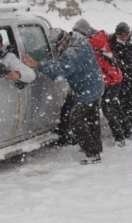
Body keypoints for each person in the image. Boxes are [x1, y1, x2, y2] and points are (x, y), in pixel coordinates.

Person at [21, 28, 105, 165]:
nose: (58, 48)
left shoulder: (74, 52)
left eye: (58, 45)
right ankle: (96, 147)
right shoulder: (78, 39)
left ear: (64, 40)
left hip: (87, 90)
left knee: (76, 121)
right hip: (93, 86)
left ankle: (93, 154)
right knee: (92, 119)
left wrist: (37, 64)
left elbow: (60, 70)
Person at [73, 19, 131, 146]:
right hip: (109, 79)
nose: (77, 36)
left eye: (79, 33)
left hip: (112, 79)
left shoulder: (97, 39)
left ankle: (120, 137)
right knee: (114, 105)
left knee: (107, 108)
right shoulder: (93, 39)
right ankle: (127, 129)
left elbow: (90, 44)